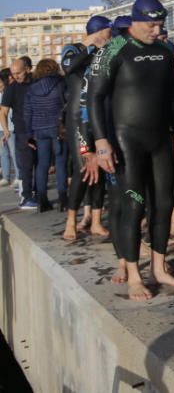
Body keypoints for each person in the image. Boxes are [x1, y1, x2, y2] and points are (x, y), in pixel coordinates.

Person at [90, 0, 174, 298]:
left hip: (159, 138)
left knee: (164, 203)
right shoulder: (113, 49)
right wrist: (101, 142)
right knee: (134, 204)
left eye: (160, 24)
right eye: (151, 24)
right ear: (134, 20)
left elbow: (172, 98)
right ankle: (133, 274)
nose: (156, 30)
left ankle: (159, 267)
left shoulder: (163, 50)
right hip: (125, 139)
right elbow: (94, 97)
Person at [61, 14, 113, 240]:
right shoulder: (72, 49)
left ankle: (96, 222)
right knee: (83, 168)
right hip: (78, 121)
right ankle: (71, 220)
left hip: (98, 117)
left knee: (100, 168)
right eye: (108, 32)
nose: (110, 36)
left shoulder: (106, 53)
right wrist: (91, 47)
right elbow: (69, 67)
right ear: (100, 31)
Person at [23, 58, 67, 211]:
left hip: (39, 130)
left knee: (42, 164)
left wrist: (29, 135)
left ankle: (42, 200)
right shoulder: (61, 84)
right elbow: (67, 104)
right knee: (61, 162)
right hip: (58, 129)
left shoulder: (31, 89)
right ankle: (63, 199)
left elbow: (27, 113)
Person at [2, 57, 37, 209]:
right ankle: (26, 197)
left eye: (19, 73)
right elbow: (3, 112)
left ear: (28, 69)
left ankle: (37, 193)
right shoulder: (11, 88)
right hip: (22, 131)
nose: (16, 76)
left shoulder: (36, 84)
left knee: (39, 164)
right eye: (13, 73)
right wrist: (6, 130)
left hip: (37, 129)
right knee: (26, 165)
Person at [0, 69, 16, 187]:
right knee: (3, 153)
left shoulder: (9, 92)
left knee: (13, 152)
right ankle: (6, 177)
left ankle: (18, 176)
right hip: (0, 128)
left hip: (10, 127)